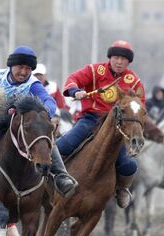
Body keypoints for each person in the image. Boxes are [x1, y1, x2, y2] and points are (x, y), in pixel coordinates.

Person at [0, 45, 77, 217]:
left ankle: (61, 177)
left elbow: (48, 100)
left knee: (42, 136)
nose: (24, 72)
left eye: (28, 68)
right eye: (20, 67)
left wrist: (46, 113)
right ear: (11, 66)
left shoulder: (33, 84)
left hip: (18, 133)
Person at [60, 40, 146, 208]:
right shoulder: (94, 70)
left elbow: (140, 105)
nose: (120, 62)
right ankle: (52, 178)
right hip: (90, 120)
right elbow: (73, 79)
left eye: (124, 59)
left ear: (128, 62)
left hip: (117, 128)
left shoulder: (134, 81)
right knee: (61, 146)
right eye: (116, 58)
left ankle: (122, 189)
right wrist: (75, 91)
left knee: (129, 166)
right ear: (110, 58)